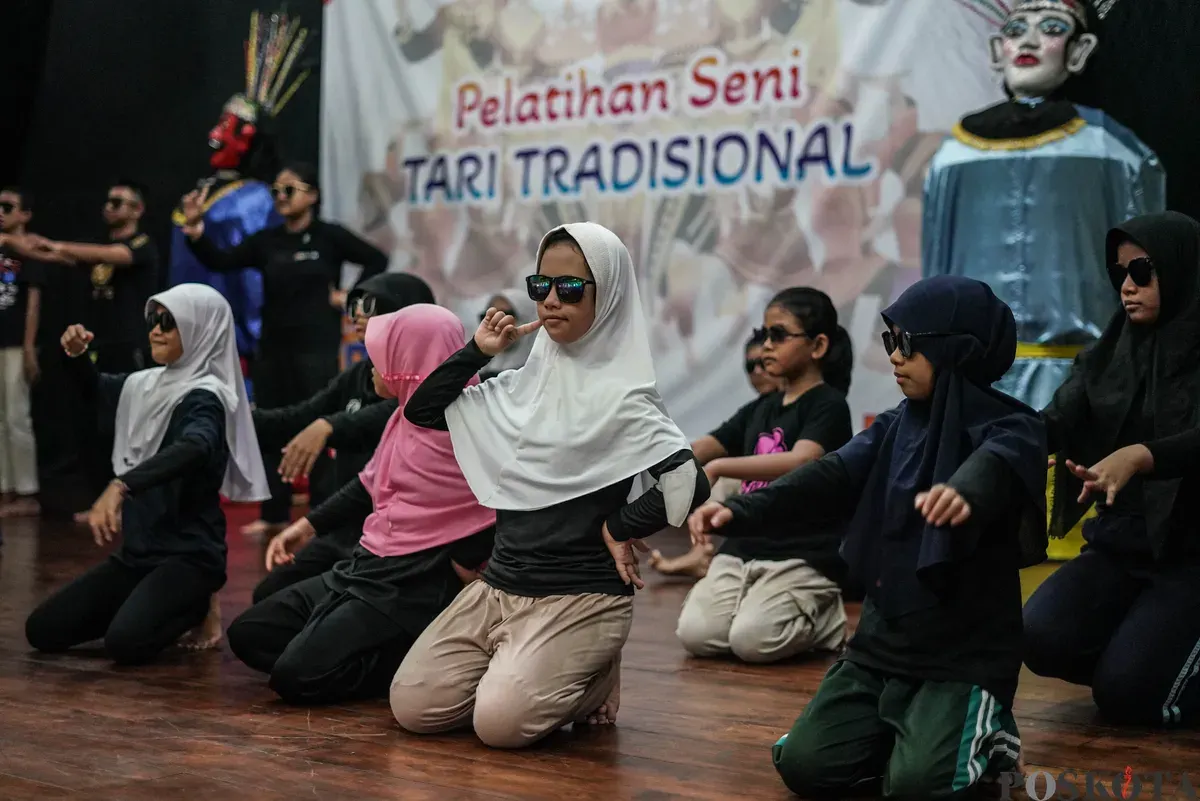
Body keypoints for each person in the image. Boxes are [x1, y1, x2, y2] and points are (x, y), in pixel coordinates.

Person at [690, 275, 1048, 798]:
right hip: (881, 646)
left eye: (907, 343)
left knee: (917, 787)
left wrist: (964, 491)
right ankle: (906, 735)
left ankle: (992, 735)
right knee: (804, 765)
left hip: (963, 658)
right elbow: (830, 474)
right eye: (890, 341)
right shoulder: (895, 425)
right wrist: (739, 511)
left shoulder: (1014, 426)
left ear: (955, 349)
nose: (895, 357)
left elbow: (996, 463)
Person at [389, 222, 710, 749]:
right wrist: (477, 351)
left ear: (607, 296)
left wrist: (619, 526)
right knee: (414, 706)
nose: (552, 300)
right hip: (500, 585)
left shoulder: (623, 396)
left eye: (571, 288)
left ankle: (591, 672)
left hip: (581, 594)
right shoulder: (519, 387)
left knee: (500, 726)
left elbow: (687, 479)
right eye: (541, 286)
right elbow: (423, 411)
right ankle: (532, 667)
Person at [224, 304, 497, 705]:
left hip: (410, 581)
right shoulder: (402, 414)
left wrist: (467, 556)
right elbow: (369, 482)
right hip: (366, 563)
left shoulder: (458, 422)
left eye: (382, 357)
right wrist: (306, 526)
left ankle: (402, 660)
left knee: (295, 677)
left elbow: (498, 503)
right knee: (249, 633)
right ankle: (367, 652)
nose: (370, 367)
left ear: (410, 362)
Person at [24, 284, 268, 665]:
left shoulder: (207, 397)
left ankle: (197, 604)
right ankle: (148, 602)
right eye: (154, 320)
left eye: (169, 323)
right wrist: (77, 356)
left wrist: (122, 485)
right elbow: (96, 389)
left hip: (189, 558)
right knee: (43, 630)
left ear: (199, 330)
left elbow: (195, 446)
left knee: (125, 644)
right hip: (137, 556)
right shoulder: (148, 384)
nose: (155, 330)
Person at [1023, 211, 1200, 727]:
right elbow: (1053, 420)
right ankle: (1150, 662)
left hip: (1192, 558)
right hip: (1123, 546)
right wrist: (987, 436)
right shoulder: (1109, 353)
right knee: (1039, 637)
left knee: (1128, 695)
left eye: (1142, 271)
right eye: (1119, 273)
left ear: (1181, 270)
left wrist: (1142, 455)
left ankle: (1149, 672)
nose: (1127, 286)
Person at [179, 163, 389, 541]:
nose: (280, 197)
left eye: (289, 190)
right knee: (271, 427)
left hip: (316, 348)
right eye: (275, 191)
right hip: (273, 348)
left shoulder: (328, 236)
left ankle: (321, 516)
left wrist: (351, 296)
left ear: (312, 195)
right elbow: (221, 261)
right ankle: (273, 513)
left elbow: (377, 259)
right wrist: (196, 231)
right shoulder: (267, 240)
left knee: (320, 426)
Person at [669, 288, 855, 663]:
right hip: (744, 547)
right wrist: (642, 460)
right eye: (765, 334)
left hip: (802, 553)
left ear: (818, 346)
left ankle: (826, 619)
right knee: (696, 635)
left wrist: (720, 467)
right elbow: (702, 447)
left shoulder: (829, 406)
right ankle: (756, 606)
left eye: (779, 335)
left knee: (752, 642)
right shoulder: (760, 408)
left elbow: (802, 460)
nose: (766, 345)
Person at [252, 272, 436, 602]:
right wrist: (234, 415)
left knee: (320, 610)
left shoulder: (432, 386)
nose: (358, 316)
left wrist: (329, 426)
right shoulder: (359, 374)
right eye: (355, 306)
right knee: (267, 596)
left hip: (393, 540)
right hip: (342, 529)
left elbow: (394, 412)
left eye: (370, 306)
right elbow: (298, 418)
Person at [649, 328, 782, 578]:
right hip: (754, 493)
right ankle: (701, 553)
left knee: (719, 475)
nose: (757, 371)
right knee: (710, 481)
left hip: (789, 493)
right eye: (750, 366)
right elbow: (702, 449)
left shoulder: (812, 404)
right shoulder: (753, 411)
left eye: (763, 363)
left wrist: (719, 467)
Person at [0, 187, 44, 519]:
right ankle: (6, 487)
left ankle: (28, 491)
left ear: (25, 215)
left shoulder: (29, 250)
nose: (0, 212)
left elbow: (33, 301)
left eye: (8, 207)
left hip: (16, 342)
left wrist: (29, 346)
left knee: (17, 416)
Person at [478, 288, 537, 380]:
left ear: (527, 319)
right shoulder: (475, 373)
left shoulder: (540, 374)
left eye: (505, 315)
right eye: (490, 316)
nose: (495, 322)